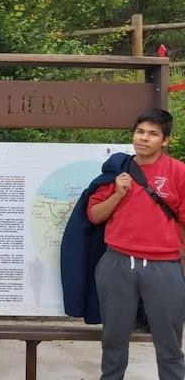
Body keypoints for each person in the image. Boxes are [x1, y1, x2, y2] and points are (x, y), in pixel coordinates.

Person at [87, 109, 185, 379]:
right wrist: (118, 193)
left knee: (170, 346)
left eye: (153, 134)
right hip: (117, 263)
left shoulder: (178, 172)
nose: (144, 138)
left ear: (164, 140)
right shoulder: (117, 170)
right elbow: (94, 215)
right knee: (114, 342)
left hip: (163, 266)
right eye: (140, 132)